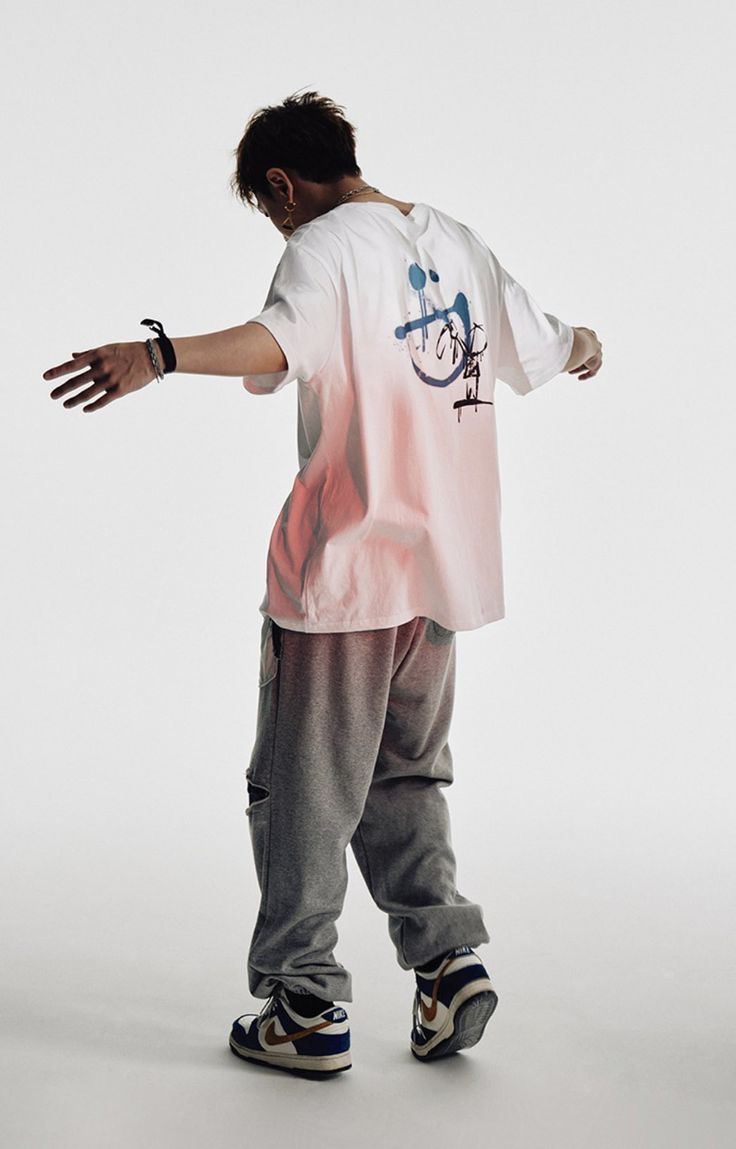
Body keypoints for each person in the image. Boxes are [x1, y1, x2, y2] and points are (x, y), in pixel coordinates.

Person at [41, 89, 603, 1079]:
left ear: (281, 184)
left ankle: (304, 1005)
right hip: (442, 575)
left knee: (299, 789)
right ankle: (447, 963)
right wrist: (584, 342)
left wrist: (159, 356)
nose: (276, 224)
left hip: (343, 573)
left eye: (269, 209)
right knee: (404, 773)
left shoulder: (322, 247)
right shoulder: (459, 241)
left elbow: (276, 343)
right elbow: (550, 346)